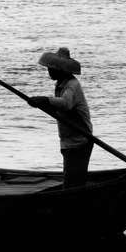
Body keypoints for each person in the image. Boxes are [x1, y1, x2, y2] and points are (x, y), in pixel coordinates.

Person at [28, 47, 93, 189]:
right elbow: (59, 109)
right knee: (71, 179)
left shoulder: (72, 85)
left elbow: (66, 104)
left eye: (52, 69)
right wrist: (40, 104)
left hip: (80, 140)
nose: (49, 71)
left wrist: (45, 100)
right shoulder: (60, 84)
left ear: (61, 70)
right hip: (68, 141)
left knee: (74, 182)